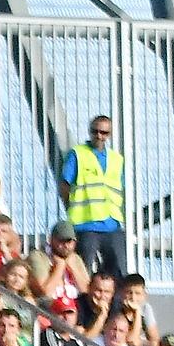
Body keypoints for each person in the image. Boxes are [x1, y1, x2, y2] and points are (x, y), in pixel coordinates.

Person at [59, 112, 125, 280]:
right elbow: (65, 185)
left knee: (117, 272)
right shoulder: (78, 154)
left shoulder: (116, 159)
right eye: (95, 131)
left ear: (109, 135)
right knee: (83, 271)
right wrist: (72, 207)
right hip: (86, 225)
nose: (99, 136)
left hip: (112, 224)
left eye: (103, 133)